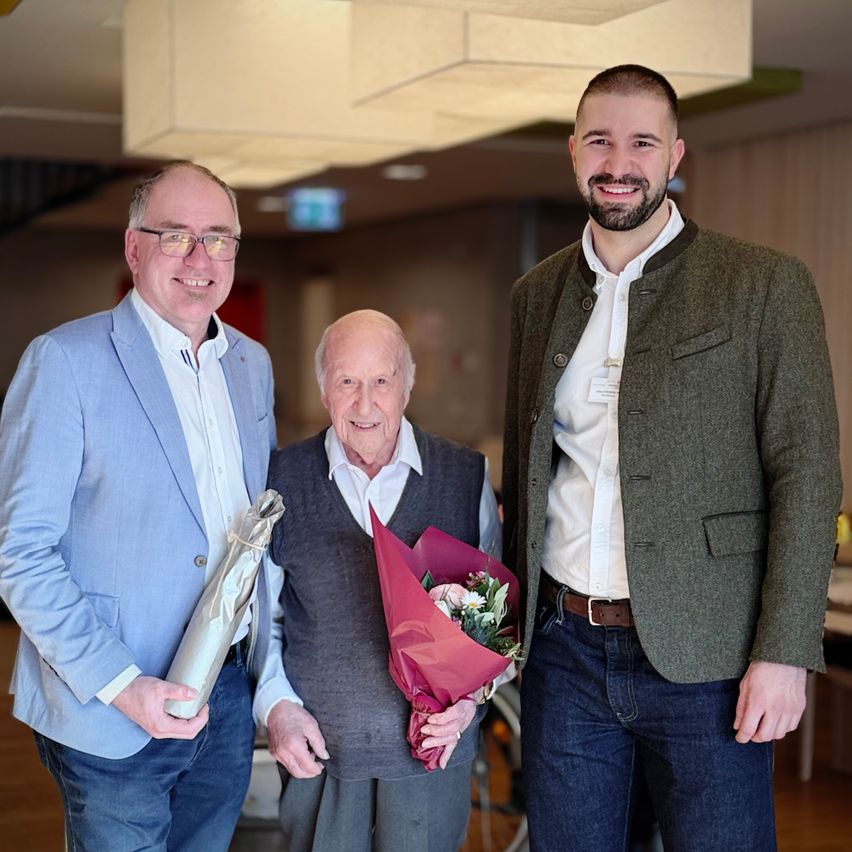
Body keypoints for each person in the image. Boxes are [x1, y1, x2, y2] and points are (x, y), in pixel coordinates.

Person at [502, 65, 842, 851]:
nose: (619, 162)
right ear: (573, 151)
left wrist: (784, 652)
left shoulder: (762, 285)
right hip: (566, 656)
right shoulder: (536, 295)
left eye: (642, 142)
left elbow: (807, 472)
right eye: (600, 140)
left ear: (675, 155)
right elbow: (530, 472)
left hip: (710, 660)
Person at [0, 161, 277, 850]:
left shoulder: (252, 364)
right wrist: (124, 688)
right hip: (113, 705)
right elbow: (21, 555)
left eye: (218, 238)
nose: (199, 258)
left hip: (227, 696)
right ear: (133, 247)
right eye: (175, 236)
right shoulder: (65, 361)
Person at [254, 309, 503, 852]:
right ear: (323, 389)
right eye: (347, 381)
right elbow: (261, 621)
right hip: (320, 760)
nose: (364, 404)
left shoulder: (465, 477)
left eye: (381, 382)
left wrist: (469, 701)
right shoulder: (280, 480)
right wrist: (277, 707)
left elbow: (498, 628)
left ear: (406, 388)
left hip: (432, 763)